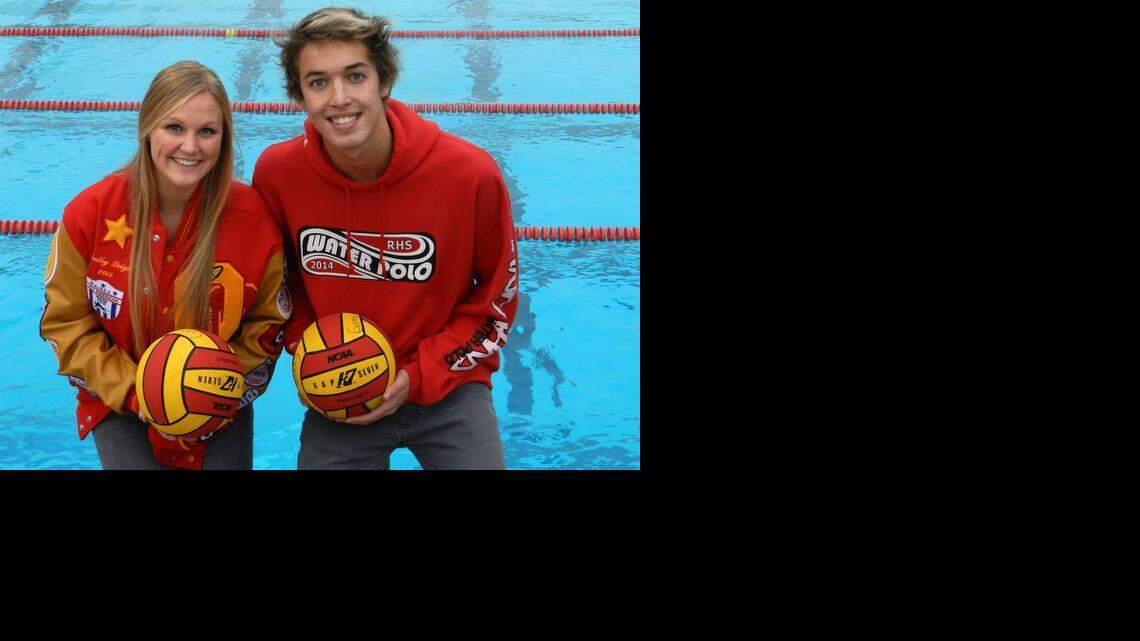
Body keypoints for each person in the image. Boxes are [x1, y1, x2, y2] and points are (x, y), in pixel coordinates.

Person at [253, 7, 519, 470]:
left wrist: (419, 376)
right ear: (300, 96)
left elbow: (496, 301)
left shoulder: (468, 175)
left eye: (355, 76)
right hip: (339, 386)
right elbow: (279, 286)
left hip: (449, 387)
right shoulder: (279, 175)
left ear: (384, 81)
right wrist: (313, 352)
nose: (339, 98)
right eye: (318, 83)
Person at [40, 61, 292, 470]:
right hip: (118, 399)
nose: (190, 147)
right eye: (174, 128)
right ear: (147, 128)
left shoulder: (256, 222)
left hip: (215, 400)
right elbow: (67, 326)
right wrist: (143, 393)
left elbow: (267, 327)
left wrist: (217, 391)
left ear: (224, 139)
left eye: (206, 131)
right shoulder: (91, 214)